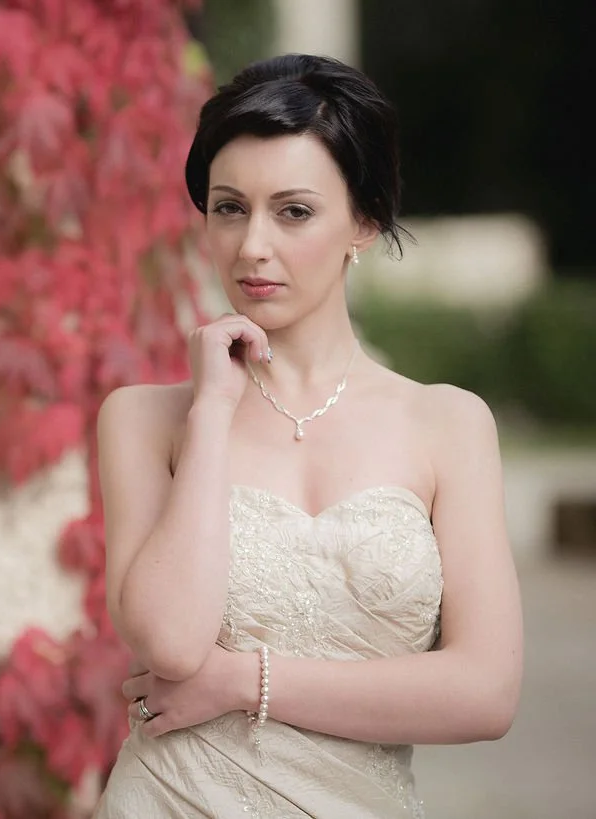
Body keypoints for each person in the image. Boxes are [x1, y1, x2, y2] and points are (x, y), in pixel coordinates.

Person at [91, 54, 523, 818]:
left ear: (364, 220)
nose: (252, 245)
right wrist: (211, 414)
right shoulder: (143, 417)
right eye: (229, 208)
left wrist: (244, 682)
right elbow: (171, 643)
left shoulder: (449, 423)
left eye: (293, 212)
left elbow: (485, 692)